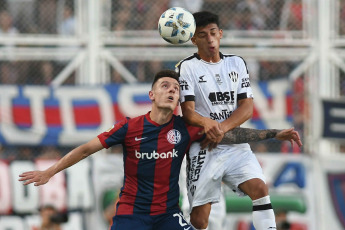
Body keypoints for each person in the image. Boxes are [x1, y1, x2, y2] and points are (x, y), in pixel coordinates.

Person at [19, 70, 301, 230]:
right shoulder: (130, 128)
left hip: (168, 216)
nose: (171, 90)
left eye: (176, 89)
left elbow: (229, 133)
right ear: (152, 95)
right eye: (165, 86)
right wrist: (50, 171)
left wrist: (275, 133)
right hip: (132, 215)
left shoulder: (185, 128)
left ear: (179, 99)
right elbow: (85, 149)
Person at [176, 11, 295, 230]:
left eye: (213, 33)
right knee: (200, 220)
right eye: (202, 35)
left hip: (234, 145)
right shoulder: (188, 67)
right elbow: (188, 113)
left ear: (220, 33)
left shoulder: (237, 64)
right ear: (193, 40)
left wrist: (221, 127)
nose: (210, 39)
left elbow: (247, 108)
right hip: (203, 148)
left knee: (260, 189)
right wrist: (206, 123)